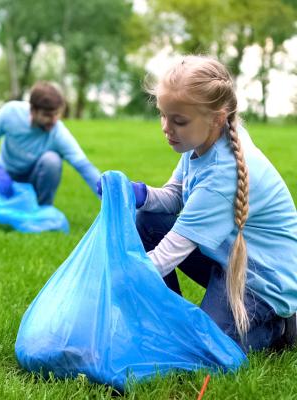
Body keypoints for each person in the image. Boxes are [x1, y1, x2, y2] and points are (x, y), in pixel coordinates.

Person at [98, 56, 297, 352]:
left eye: (178, 121)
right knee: (148, 219)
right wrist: (141, 195)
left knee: (205, 349)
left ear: (218, 116)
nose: (167, 127)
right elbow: (177, 196)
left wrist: (118, 276)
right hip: (225, 259)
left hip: (259, 281)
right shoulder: (204, 138)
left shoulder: (224, 171)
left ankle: (280, 326)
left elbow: (169, 254)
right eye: (163, 115)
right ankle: (166, 320)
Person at [0, 81, 100, 205]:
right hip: (5, 175)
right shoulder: (11, 112)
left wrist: (106, 193)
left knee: (52, 160)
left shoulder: (58, 132)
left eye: (57, 114)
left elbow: (84, 166)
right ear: (32, 110)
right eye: (47, 115)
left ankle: (43, 208)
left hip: (33, 177)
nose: (53, 120)